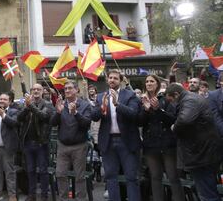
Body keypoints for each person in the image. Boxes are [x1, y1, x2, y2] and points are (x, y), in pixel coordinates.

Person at [91, 69, 142, 201]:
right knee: (110, 177)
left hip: (127, 141)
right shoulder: (101, 96)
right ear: (107, 80)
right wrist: (102, 108)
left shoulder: (130, 95)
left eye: (115, 78)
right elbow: (94, 117)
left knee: (131, 177)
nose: (112, 80)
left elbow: (133, 114)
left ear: (120, 81)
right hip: (108, 142)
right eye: (110, 78)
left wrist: (117, 104)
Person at [165, 84, 222, 201]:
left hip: (201, 153)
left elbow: (184, 119)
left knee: (207, 193)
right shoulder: (190, 98)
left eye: (171, 100)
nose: (172, 104)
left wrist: (174, 127)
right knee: (206, 190)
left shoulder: (190, 100)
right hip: (202, 151)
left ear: (176, 95)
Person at [139, 75, 184, 201]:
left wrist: (158, 109)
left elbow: (173, 119)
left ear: (157, 84)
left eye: (151, 81)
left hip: (167, 145)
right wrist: (146, 111)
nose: (149, 83)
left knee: (173, 177)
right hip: (150, 146)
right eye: (147, 81)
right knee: (155, 177)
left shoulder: (166, 99)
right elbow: (139, 122)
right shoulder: (141, 100)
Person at [50, 81, 92, 200]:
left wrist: (76, 113)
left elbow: (87, 124)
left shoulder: (84, 105)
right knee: (60, 174)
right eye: (65, 89)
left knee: (80, 177)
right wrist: (58, 113)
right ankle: (63, 199)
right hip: (63, 146)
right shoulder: (61, 104)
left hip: (79, 146)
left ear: (77, 90)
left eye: (69, 88)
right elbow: (52, 123)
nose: (67, 91)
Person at [18, 84, 55, 201]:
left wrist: (31, 105)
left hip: (41, 143)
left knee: (43, 171)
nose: (36, 91)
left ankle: (44, 195)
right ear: (31, 91)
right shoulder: (27, 105)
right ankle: (32, 194)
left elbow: (43, 116)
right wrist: (26, 107)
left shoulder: (48, 104)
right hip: (28, 143)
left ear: (43, 91)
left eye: (38, 89)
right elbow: (19, 118)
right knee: (30, 170)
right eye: (34, 89)